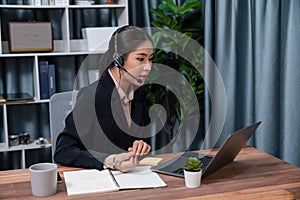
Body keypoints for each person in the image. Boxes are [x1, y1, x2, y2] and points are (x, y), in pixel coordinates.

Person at [54, 25, 153, 172]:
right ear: (118, 59)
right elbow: (63, 151)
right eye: (140, 59)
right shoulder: (91, 96)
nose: (148, 67)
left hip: (132, 177)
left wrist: (141, 144)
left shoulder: (139, 94)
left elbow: (138, 138)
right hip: (98, 178)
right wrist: (109, 161)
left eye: (150, 59)